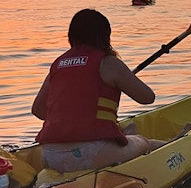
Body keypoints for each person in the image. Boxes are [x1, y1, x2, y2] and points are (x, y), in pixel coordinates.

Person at [31, 9, 169, 173]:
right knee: (144, 142)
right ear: (105, 36)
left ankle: (120, 134)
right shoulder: (109, 63)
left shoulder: (58, 65)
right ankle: (176, 141)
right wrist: (123, 79)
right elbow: (147, 97)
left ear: (71, 36)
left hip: (50, 156)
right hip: (90, 154)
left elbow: (38, 110)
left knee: (121, 137)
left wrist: (73, 120)